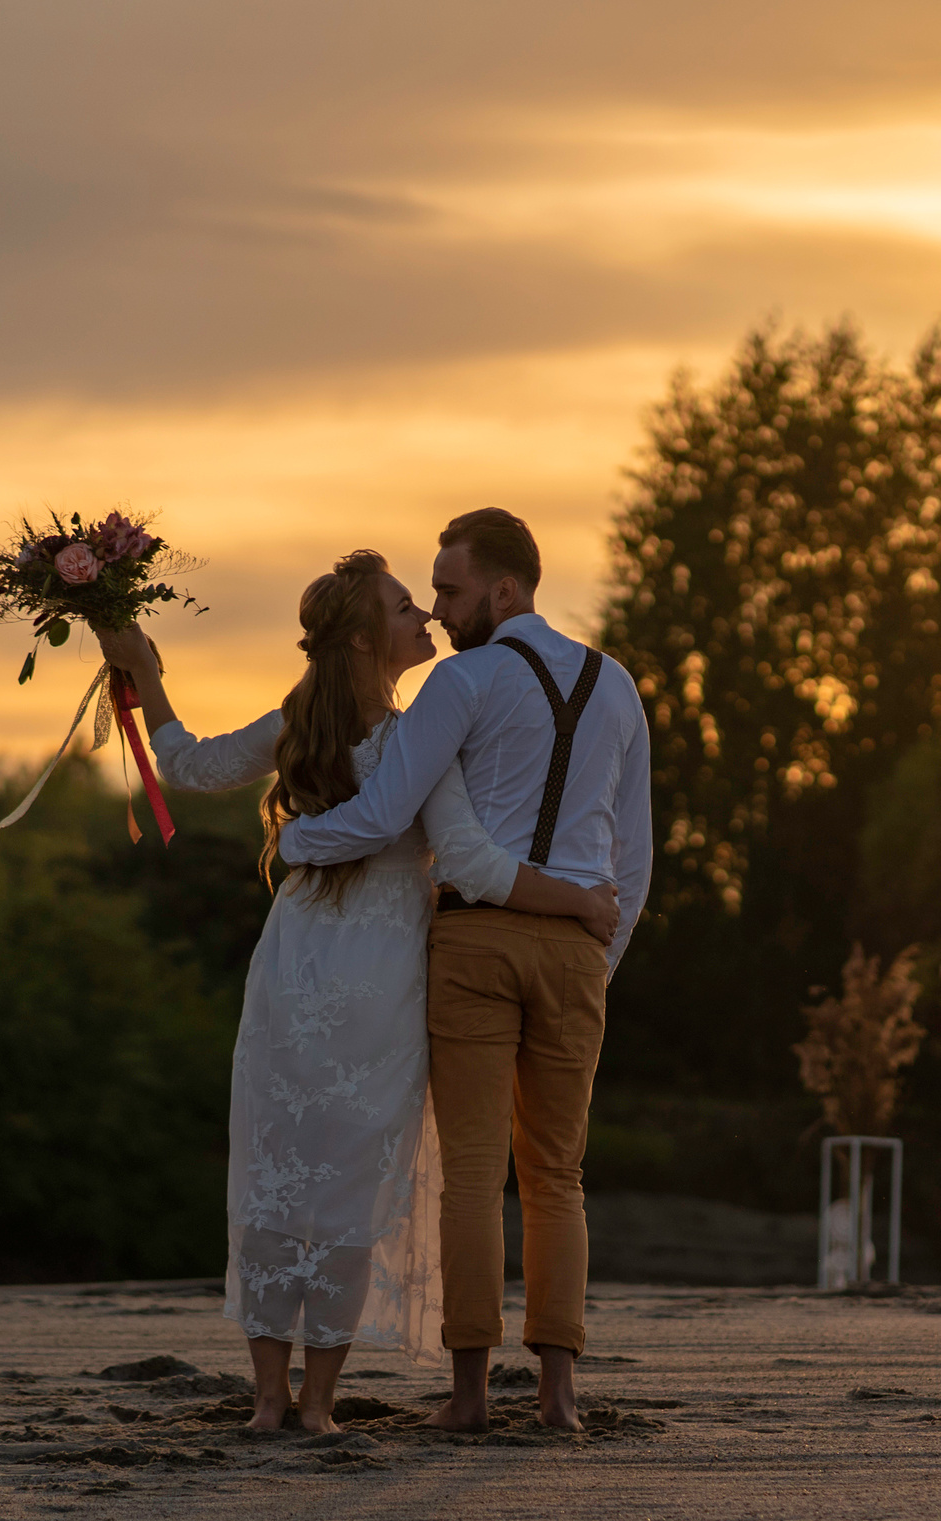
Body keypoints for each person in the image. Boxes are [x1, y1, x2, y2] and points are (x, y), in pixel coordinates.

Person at [93, 550, 618, 1433]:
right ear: (370, 638)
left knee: (278, 1167)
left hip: (296, 963)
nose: (427, 622)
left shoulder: (298, 724)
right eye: (408, 610)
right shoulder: (417, 740)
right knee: (345, 1178)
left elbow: (186, 762)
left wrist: (152, 681)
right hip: (374, 979)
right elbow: (475, 862)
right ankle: (315, 1405)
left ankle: (272, 1401)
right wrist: (579, 900)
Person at [278, 507, 649, 1433]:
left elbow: (384, 816)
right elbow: (632, 856)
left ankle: (473, 1397)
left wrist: (296, 843)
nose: (438, 610)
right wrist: (601, 959)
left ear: (505, 590)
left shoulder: (463, 680)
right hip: (577, 950)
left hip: (477, 941)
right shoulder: (618, 686)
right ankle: (560, 1397)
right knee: (559, 1175)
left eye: (449, 589)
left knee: (477, 1174)